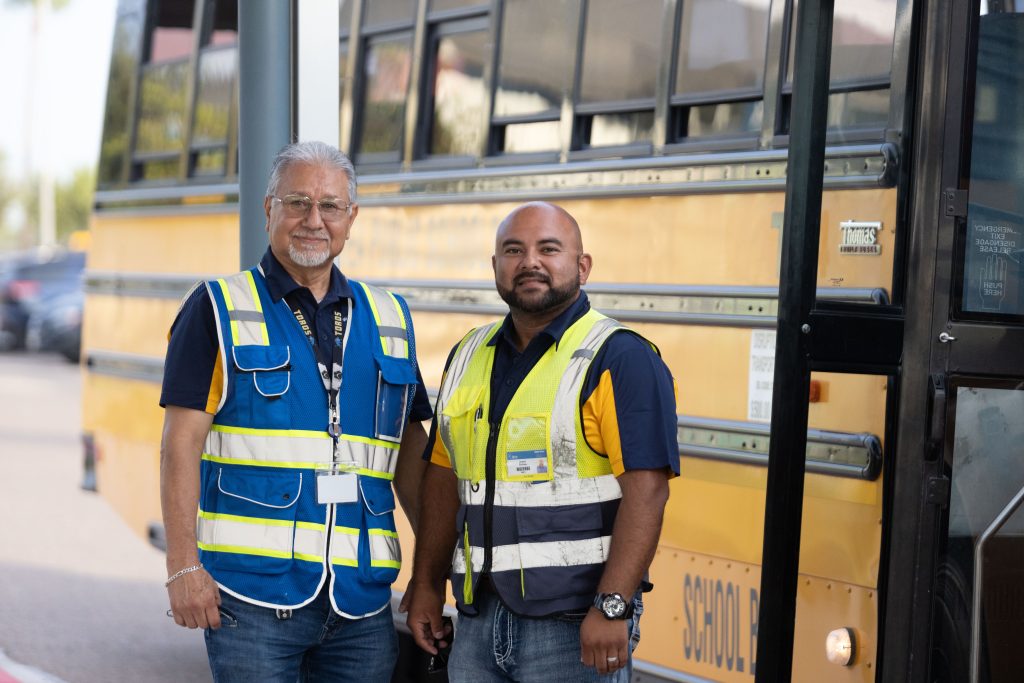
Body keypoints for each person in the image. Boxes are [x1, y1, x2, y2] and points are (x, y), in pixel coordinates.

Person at [159, 140, 430, 682]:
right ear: (269, 211)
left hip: (360, 602)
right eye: (297, 202)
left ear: (351, 219)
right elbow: (178, 445)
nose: (314, 220)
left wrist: (430, 576)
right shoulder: (217, 308)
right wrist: (183, 566)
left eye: (330, 206)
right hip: (251, 599)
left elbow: (412, 455)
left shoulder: (390, 317)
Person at [404, 201, 678, 682]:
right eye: (514, 250)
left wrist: (612, 605)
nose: (530, 262)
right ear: (495, 267)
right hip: (477, 617)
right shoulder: (467, 354)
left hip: (574, 624)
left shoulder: (620, 357)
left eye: (549, 249)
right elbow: (445, 479)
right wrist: (426, 584)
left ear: (582, 266)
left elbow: (648, 490)